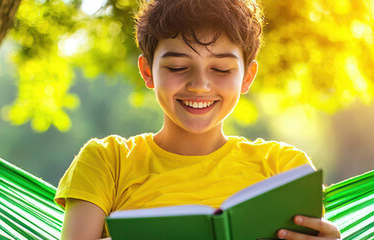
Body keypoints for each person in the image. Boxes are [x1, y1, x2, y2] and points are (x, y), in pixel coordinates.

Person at [56, 0, 341, 239]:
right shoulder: (107, 162)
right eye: (178, 66)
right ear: (147, 71)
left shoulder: (284, 168)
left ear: (247, 77)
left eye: (221, 69)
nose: (200, 85)